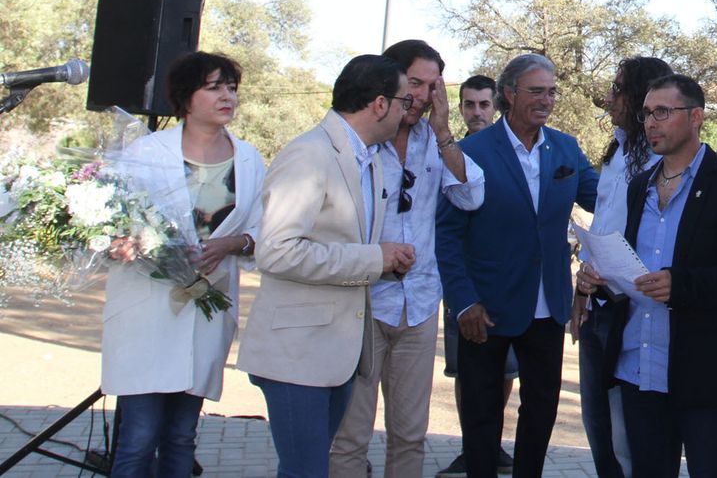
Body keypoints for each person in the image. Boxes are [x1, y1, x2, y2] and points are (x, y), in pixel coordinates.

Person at [581, 73, 717, 478]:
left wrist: (681, 285)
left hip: (703, 372)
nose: (651, 122)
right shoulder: (639, 187)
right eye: (647, 113)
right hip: (638, 369)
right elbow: (633, 272)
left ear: (696, 117)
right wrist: (600, 281)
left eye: (663, 112)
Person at [237, 55, 418, 478]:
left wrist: (387, 262)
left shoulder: (368, 159)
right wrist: (376, 258)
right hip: (295, 354)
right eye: (403, 101)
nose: (407, 110)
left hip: (337, 353)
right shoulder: (308, 154)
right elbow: (276, 251)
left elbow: (340, 243)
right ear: (378, 104)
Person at [101, 51, 265, 478]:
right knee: (137, 439)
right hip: (146, 313)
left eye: (231, 87)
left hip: (206, 310)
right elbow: (105, 223)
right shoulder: (145, 152)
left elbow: (266, 233)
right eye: (214, 87)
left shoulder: (249, 159)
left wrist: (236, 242)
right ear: (185, 98)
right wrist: (120, 243)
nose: (227, 96)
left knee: (181, 437)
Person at [436, 53, 599, 478]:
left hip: (549, 308)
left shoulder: (565, 148)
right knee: (481, 411)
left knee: (542, 407)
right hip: (485, 310)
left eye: (552, 92)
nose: (547, 100)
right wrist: (464, 302)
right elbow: (447, 236)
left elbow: (606, 201)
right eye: (536, 91)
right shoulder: (470, 152)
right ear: (509, 94)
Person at [330, 42, 485, 478]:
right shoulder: (358, 139)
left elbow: (472, 194)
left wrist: (442, 131)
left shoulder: (431, 141)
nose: (420, 95)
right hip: (359, 303)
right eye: (414, 83)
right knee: (350, 436)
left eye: (431, 86)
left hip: (417, 305)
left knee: (410, 434)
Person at [573, 56, 671, 478]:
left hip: (634, 311)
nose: (609, 99)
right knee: (598, 427)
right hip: (597, 301)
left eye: (617, 89)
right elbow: (605, 225)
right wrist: (582, 284)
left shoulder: (661, 159)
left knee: (626, 435)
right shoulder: (617, 150)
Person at [438, 74, 517, 478]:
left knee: (505, 372)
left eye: (484, 105)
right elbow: (447, 228)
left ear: (496, 105)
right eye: (469, 105)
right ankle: (472, 446)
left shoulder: (513, 154)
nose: (477, 112)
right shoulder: (454, 153)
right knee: (465, 373)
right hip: (464, 288)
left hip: (509, 288)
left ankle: (493, 443)